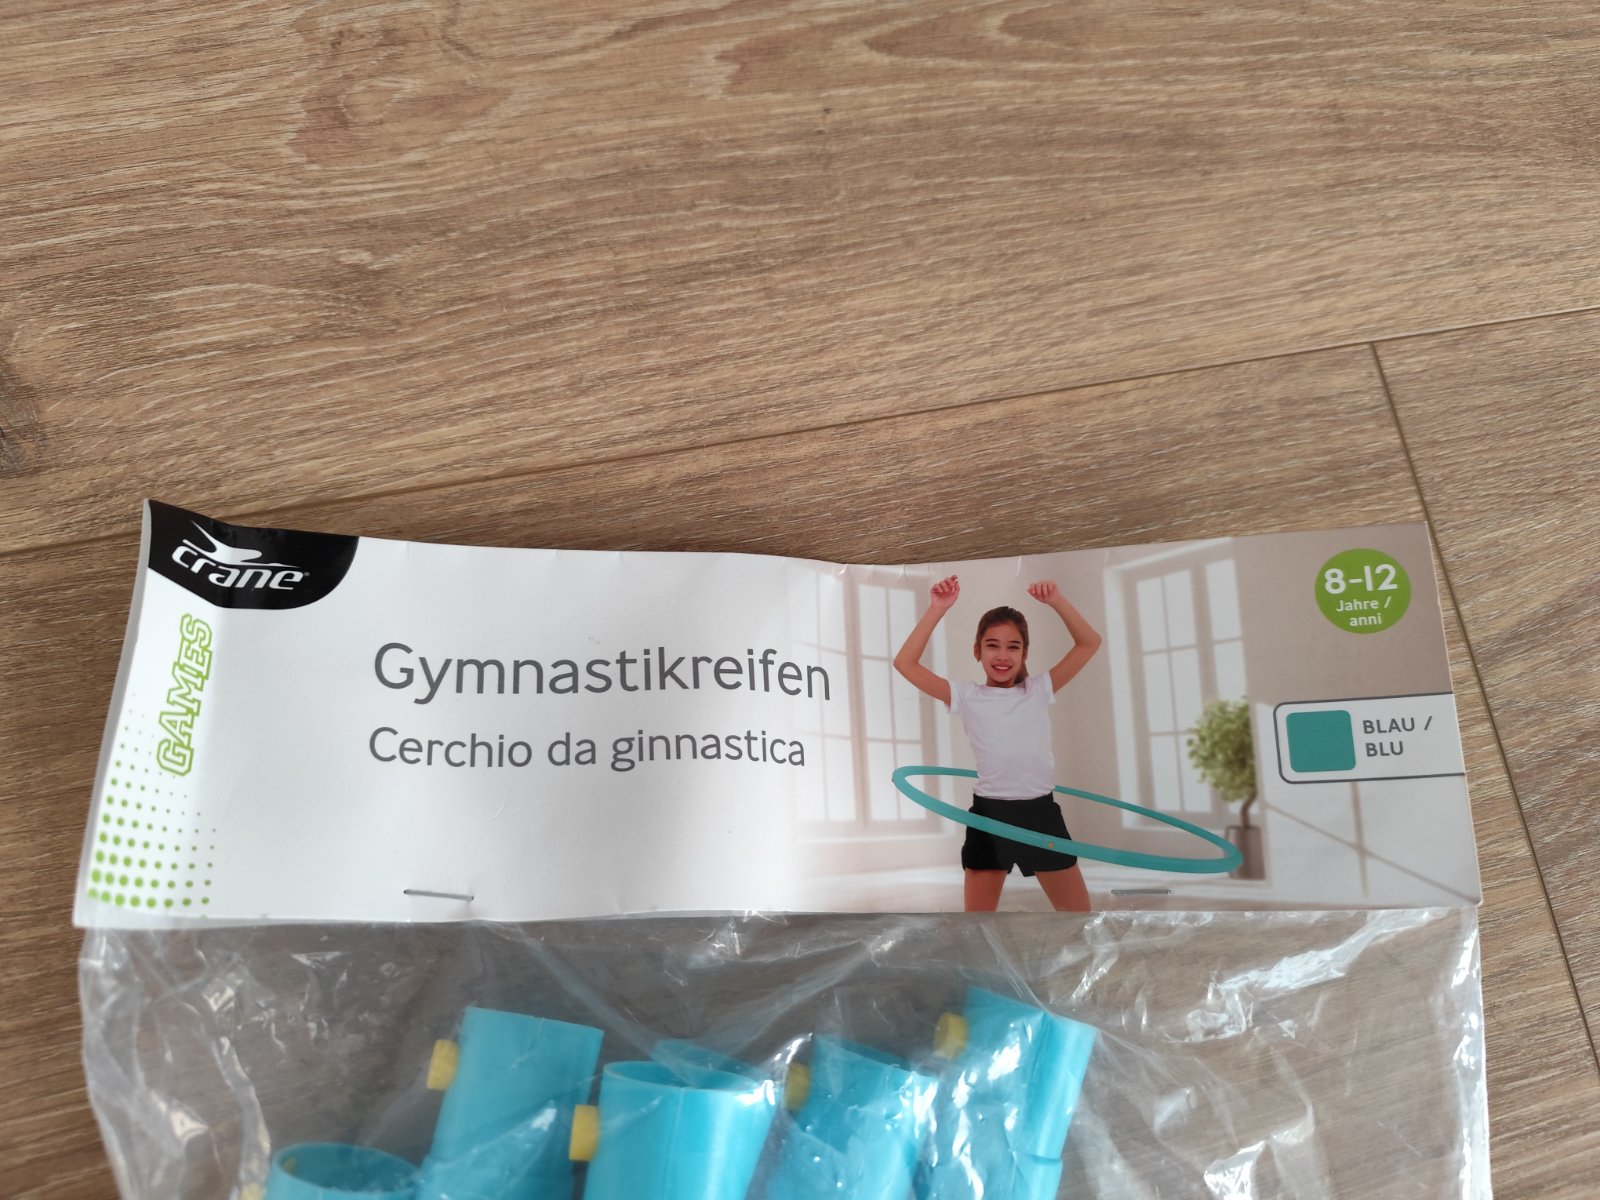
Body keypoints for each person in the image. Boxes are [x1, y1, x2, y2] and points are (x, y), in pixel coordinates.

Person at [893, 575, 1101, 912]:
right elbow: (905, 663)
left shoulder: (1038, 690)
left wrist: (1056, 601)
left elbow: (1089, 643)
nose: (1002, 655)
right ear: (977, 651)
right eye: (992, 645)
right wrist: (937, 608)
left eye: (1013, 646)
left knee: (1078, 919)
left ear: (1024, 653)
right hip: (990, 817)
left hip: (1040, 814)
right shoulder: (966, 696)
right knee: (977, 925)